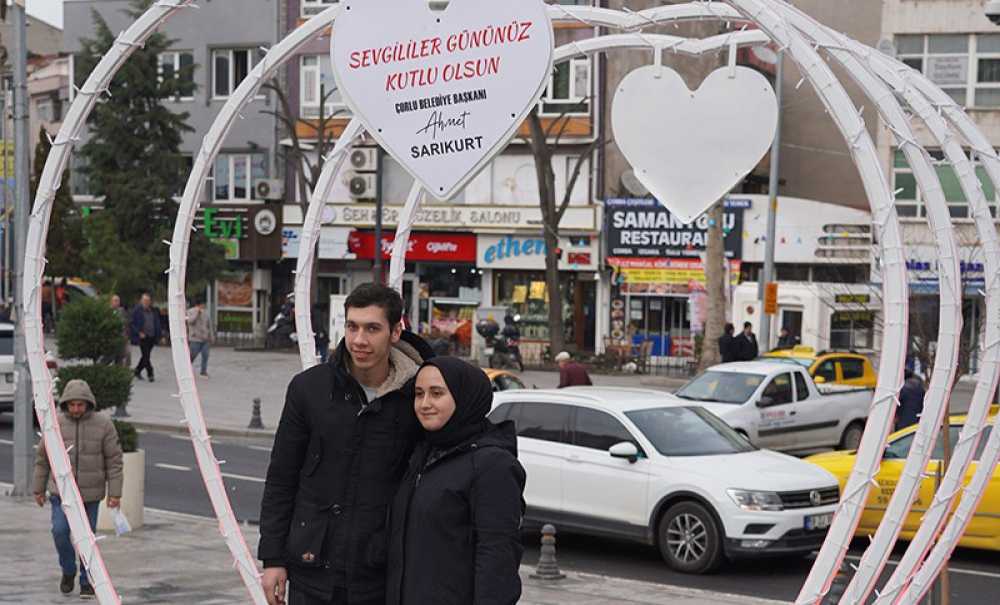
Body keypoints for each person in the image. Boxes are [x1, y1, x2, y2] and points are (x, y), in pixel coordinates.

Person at [258, 283, 433, 605]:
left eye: (372, 329)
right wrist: (273, 558)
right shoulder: (309, 389)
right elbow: (282, 477)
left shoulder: (418, 396)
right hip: (312, 566)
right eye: (352, 326)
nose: (359, 340)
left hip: (380, 573)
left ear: (396, 332)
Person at [386, 356, 526, 605]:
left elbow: (497, 558)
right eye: (419, 394)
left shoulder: (491, 464)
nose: (425, 404)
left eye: (437, 393)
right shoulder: (422, 453)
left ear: (465, 398)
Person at [32, 379, 123, 599]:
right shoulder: (55, 424)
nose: (76, 409)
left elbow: (114, 460)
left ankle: (86, 580)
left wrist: (115, 493)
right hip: (60, 493)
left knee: (87, 539)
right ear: (65, 404)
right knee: (60, 532)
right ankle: (68, 570)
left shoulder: (103, 424)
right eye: (71, 404)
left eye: (80, 404)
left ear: (88, 404)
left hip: (90, 495)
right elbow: (43, 459)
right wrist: (38, 488)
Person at [130, 292, 162, 382]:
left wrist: (159, 334)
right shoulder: (137, 310)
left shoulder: (153, 310)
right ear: (141, 300)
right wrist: (139, 332)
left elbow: (157, 323)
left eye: (148, 300)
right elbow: (132, 323)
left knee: (145, 356)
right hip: (142, 336)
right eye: (144, 300)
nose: (146, 302)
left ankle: (137, 370)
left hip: (152, 336)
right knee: (146, 355)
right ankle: (150, 373)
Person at [186, 299, 215, 377]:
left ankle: (203, 371)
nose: (203, 306)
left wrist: (211, 336)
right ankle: (186, 368)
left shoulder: (206, 313)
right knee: (193, 355)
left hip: (205, 338)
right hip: (195, 338)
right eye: (202, 305)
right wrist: (197, 314)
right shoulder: (190, 311)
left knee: (205, 355)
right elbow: (190, 322)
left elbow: (209, 325)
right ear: (198, 305)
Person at [109, 294, 131, 368]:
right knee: (110, 357)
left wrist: (127, 335)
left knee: (127, 354)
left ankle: (122, 371)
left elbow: (126, 323)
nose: (117, 302)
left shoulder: (122, 311)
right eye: (115, 301)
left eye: (118, 301)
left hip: (122, 337)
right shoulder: (108, 311)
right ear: (111, 302)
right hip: (111, 338)